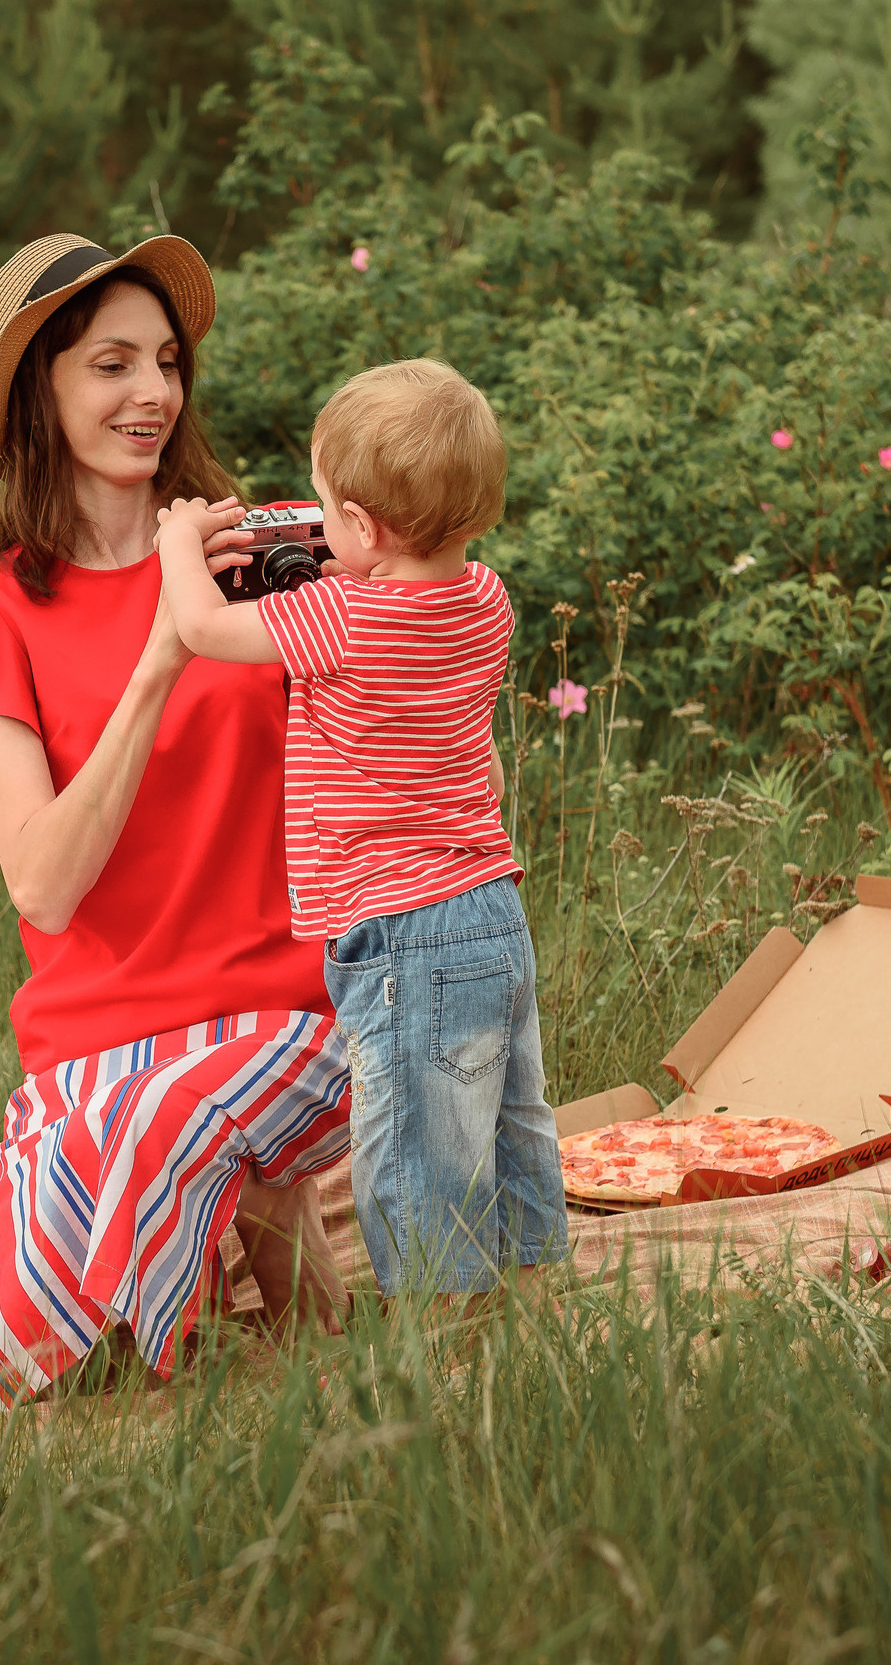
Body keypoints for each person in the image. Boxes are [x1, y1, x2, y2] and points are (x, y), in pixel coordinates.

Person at [0, 233, 351, 1422]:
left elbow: (382, 751)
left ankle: (207, 1383)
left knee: (171, 1134)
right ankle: (229, 1328)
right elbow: (45, 889)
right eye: (109, 365)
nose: (152, 393)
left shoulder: (257, 562)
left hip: (292, 1014)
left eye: (164, 359)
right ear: (35, 395)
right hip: (95, 1055)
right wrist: (164, 642)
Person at [153, 358, 567, 1301]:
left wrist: (184, 542)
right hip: (491, 909)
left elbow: (208, 632)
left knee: (418, 1140)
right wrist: (344, 539)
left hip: (404, 932)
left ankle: (442, 1330)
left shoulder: (342, 613)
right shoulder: (488, 599)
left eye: (330, 507)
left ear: (367, 529)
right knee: (509, 1115)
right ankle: (534, 1289)